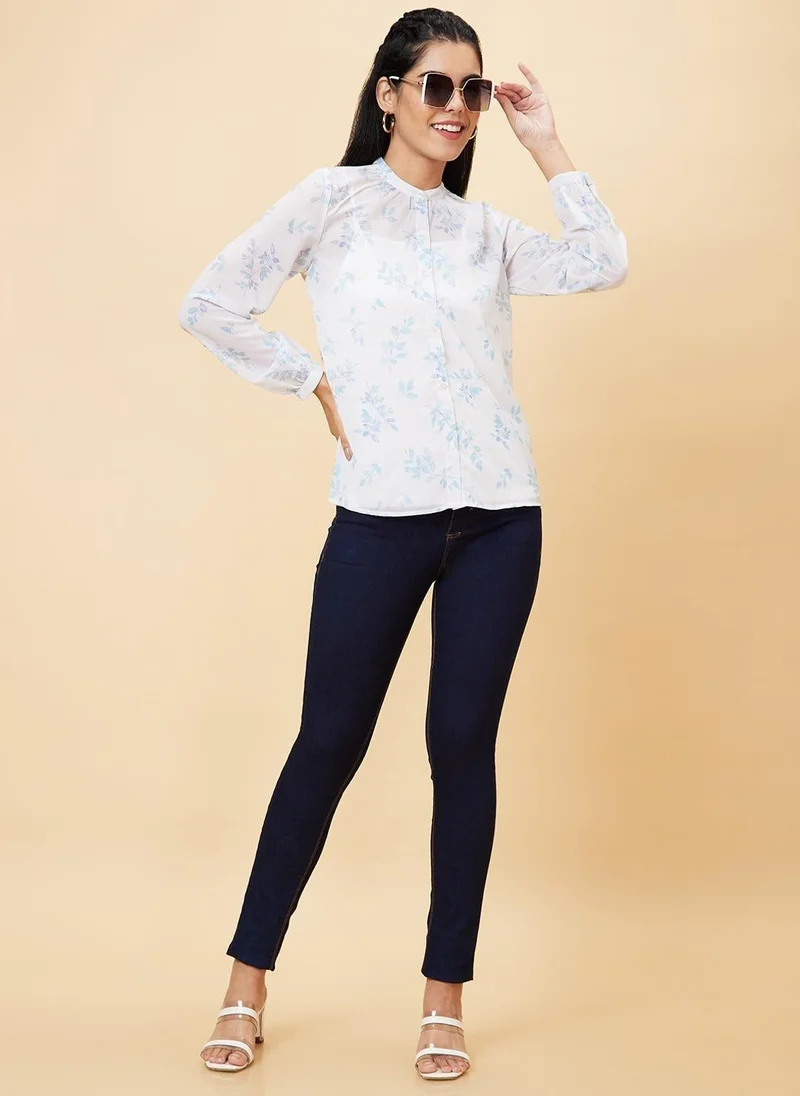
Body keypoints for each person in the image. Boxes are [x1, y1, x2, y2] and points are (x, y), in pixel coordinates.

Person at [177, 7, 627, 1080]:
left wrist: (545, 140)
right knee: (326, 745)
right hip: (381, 514)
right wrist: (309, 378)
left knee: (462, 750)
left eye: (471, 90)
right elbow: (211, 302)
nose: (456, 107)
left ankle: (442, 1001)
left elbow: (602, 261)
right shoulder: (331, 203)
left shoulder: (486, 233)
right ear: (388, 94)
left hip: (500, 518)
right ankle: (244, 983)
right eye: (435, 85)